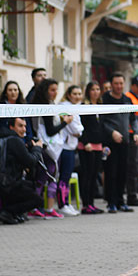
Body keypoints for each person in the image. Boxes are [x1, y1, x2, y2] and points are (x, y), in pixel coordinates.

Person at [0, 117, 45, 224]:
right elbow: (30, 161)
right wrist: (37, 148)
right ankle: (7, 212)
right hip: (7, 184)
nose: (24, 129)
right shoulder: (15, 140)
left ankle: (13, 213)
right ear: (11, 127)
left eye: (25, 126)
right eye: (20, 126)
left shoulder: (4, 139)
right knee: (38, 200)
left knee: (28, 185)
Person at [29, 78, 70, 219]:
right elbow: (51, 130)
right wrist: (65, 122)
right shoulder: (44, 106)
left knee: (52, 176)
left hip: (54, 147)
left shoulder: (51, 104)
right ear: (45, 91)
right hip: (47, 147)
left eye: (56, 89)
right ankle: (35, 207)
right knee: (44, 176)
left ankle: (49, 208)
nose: (55, 92)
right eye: (52, 90)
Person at [101, 73, 138, 213]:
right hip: (109, 143)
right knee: (111, 172)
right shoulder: (105, 99)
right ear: (111, 84)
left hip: (124, 142)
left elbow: (133, 118)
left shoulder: (127, 100)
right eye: (116, 83)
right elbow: (102, 121)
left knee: (123, 172)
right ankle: (111, 203)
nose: (119, 86)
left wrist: (136, 133)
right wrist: (112, 132)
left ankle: (120, 201)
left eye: (121, 83)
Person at [78, 82, 105, 214]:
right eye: (93, 89)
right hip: (86, 146)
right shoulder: (84, 106)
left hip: (98, 145)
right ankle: (85, 205)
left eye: (97, 89)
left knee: (94, 175)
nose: (95, 92)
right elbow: (80, 126)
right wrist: (85, 142)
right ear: (88, 91)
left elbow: (102, 127)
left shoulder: (100, 106)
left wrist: (104, 145)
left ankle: (92, 204)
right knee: (87, 175)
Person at [58, 85, 84, 217]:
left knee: (67, 176)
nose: (77, 96)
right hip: (64, 147)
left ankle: (66, 203)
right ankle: (62, 204)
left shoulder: (76, 107)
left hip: (71, 147)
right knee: (64, 176)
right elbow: (75, 129)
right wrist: (79, 129)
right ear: (68, 94)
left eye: (79, 93)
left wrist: (79, 129)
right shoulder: (65, 106)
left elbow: (79, 128)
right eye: (74, 93)